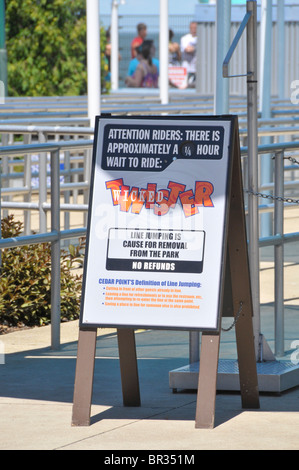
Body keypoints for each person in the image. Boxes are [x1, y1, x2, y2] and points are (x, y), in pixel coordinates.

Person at [180, 21, 197, 87]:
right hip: (186, 67)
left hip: (197, 67)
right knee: (184, 85)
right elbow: (187, 49)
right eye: (192, 28)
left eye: (195, 28)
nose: (193, 30)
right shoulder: (185, 38)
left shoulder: (201, 38)